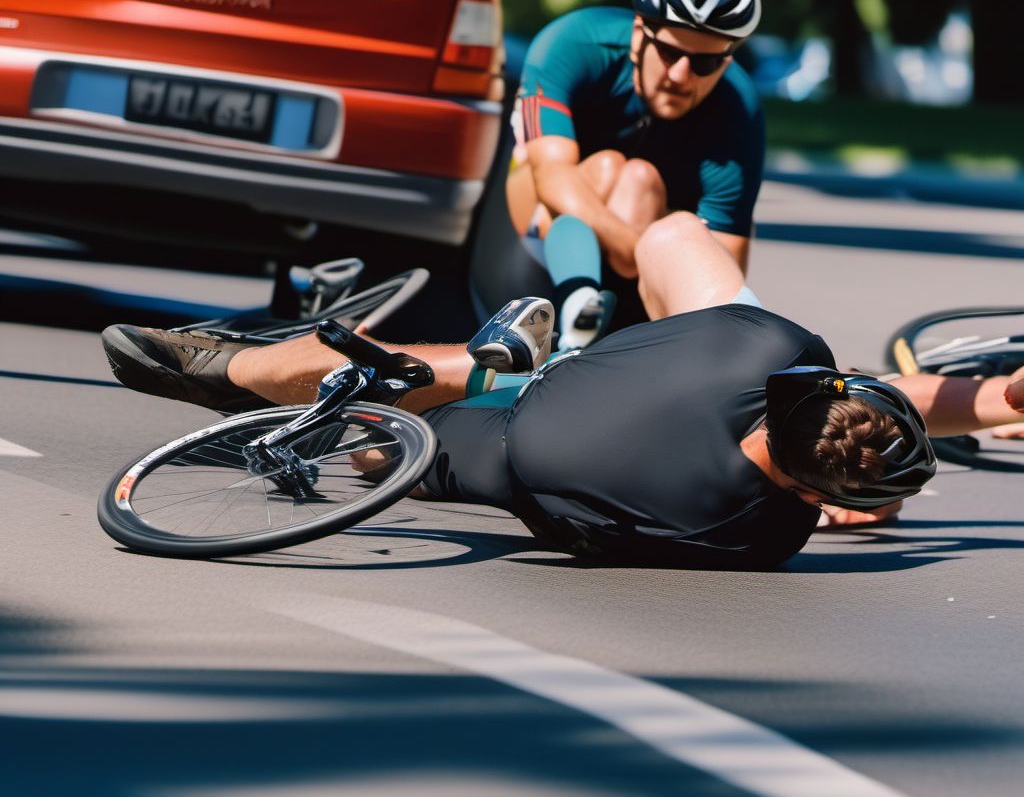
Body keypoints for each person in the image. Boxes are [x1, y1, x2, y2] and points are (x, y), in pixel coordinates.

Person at [102, 213, 1024, 570]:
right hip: (506, 467)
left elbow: (683, 331)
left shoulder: (775, 344)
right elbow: (602, 537)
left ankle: (231, 365)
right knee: (396, 441)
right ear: (822, 494)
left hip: (553, 373)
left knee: (459, 360)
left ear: (826, 385)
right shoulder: (764, 535)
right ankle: (347, 435)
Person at [498, 0, 765, 331]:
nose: (680, 75)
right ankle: (575, 307)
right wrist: (638, 248)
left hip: (646, 236)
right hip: (543, 227)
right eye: (671, 53)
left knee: (640, 179)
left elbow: (725, 258)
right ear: (640, 35)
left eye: (705, 62)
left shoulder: (739, 107)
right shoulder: (573, 43)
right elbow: (551, 177)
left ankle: (588, 328)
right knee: (608, 167)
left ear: (727, 58)